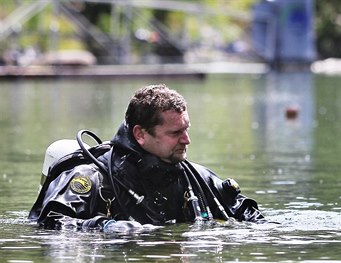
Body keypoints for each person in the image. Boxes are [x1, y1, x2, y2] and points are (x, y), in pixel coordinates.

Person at [30, 84, 265, 231]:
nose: (186, 140)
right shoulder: (93, 178)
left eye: (187, 129)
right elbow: (52, 221)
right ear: (140, 134)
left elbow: (248, 214)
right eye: (175, 133)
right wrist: (104, 226)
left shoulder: (196, 178)